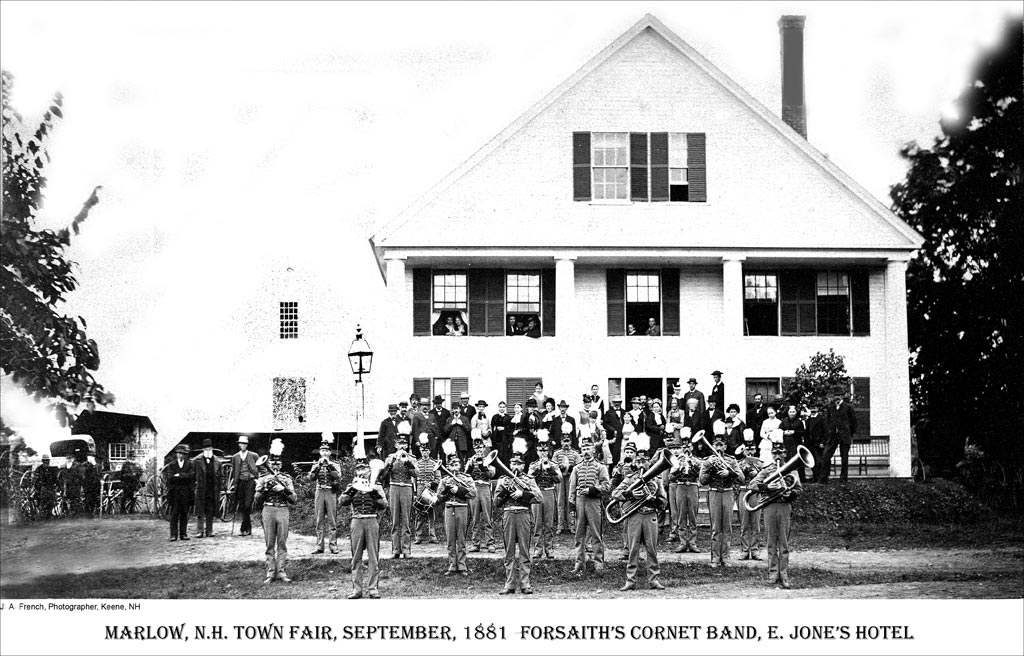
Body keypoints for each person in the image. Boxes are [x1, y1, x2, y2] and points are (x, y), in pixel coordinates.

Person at [612, 434, 666, 591]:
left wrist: (652, 499)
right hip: (634, 517)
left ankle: (654, 579)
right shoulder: (630, 478)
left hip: (650, 516)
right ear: (635, 462)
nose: (641, 464)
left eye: (644, 461)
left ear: (649, 462)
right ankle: (630, 580)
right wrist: (630, 495)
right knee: (633, 549)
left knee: (652, 549)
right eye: (639, 461)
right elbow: (615, 493)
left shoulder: (656, 480)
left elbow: (663, 502)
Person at [749, 436, 804, 588]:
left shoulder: (791, 470)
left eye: (781, 452)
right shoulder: (767, 470)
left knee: (784, 542)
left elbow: (798, 489)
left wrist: (789, 494)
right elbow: (752, 484)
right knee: (771, 541)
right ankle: (773, 573)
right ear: (771, 454)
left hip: (784, 506)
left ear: (785, 453)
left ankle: (784, 574)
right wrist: (767, 487)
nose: (778, 456)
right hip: (769, 507)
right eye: (775, 453)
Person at [494, 440, 542, 594]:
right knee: (508, 551)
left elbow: (539, 498)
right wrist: (504, 492)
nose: (515, 467)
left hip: (523, 514)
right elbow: (496, 502)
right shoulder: (503, 480)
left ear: (523, 465)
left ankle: (525, 584)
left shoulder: (529, 480)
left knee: (524, 550)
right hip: (508, 514)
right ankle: (509, 585)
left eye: (518, 464)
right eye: (512, 464)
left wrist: (523, 494)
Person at [339, 451, 388, 598]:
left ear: (369, 470)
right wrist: (353, 488)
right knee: (356, 557)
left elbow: (384, 504)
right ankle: (357, 589)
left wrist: (372, 492)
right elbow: (342, 502)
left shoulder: (377, 486)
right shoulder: (351, 485)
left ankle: (373, 588)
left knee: (373, 556)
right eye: (359, 469)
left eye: (364, 469)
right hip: (357, 520)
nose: (362, 472)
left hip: (372, 520)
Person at [699, 431, 745, 568]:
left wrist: (729, 472)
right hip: (713, 493)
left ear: (725, 446)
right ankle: (715, 558)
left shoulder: (731, 460)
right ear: (712, 445)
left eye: (721, 445)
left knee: (727, 527)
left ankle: (725, 557)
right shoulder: (708, 460)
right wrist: (710, 468)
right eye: (716, 445)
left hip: (727, 493)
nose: (718, 448)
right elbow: (702, 481)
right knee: (715, 527)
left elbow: (741, 479)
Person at [255, 439, 297, 583]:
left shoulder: (286, 478)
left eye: (277, 463)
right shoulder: (263, 478)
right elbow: (256, 500)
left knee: (282, 543)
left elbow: (293, 499)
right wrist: (265, 488)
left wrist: (283, 490)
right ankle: (270, 572)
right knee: (269, 543)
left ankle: (281, 572)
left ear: (281, 464)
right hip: (268, 509)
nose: (275, 465)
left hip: (282, 510)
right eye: (272, 463)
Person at [569, 433, 610, 576]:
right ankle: (579, 564)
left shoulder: (600, 467)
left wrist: (592, 489)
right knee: (579, 535)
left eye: (588, 447)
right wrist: (572, 507)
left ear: (593, 449)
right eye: (583, 448)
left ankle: (598, 564)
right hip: (580, 502)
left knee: (596, 534)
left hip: (594, 502)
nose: (585, 451)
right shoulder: (576, 468)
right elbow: (572, 489)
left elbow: (606, 486)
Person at [437, 441, 476, 576]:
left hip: (462, 508)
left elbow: (472, 493)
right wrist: (447, 490)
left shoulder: (467, 478)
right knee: (450, 539)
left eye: (456, 464)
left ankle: (462, 565)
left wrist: (458, 489)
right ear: (448, 466)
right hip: (449, 509)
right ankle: (452, 565)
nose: (454, 467)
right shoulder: (444, 480)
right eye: (451, 465)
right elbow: (439, 497)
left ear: (460, 465)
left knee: (461, 539)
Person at [382, 432, 417, 559]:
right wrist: (391, 462)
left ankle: (406, 550)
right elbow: (384, 475)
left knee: (406, 520)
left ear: (407, 446)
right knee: (395, 519)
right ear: (396, 445)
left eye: (404, 444)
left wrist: (407, 462)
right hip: (394, 487)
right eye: (400, 443)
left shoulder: (412, 458)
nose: (402, 446)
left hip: (407, 488)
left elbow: (416, 474)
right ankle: (396, 550)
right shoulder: (390, 457)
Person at [528, 433, 562, 559]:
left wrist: (550, 470)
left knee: (548, 522)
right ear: (537, 451)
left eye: (545, 450)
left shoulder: (554, 464)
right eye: (540, 450)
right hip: (537, 493)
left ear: (549, 451)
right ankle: (537, 549)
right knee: (537, 522)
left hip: (549, 492)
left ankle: (549, 549)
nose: (543, 453)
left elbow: (559, 479)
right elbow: (529, 480)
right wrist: (538, 469)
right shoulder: (533, 465)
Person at [669, 429, 703, 553]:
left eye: (689, 446)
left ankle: (693, 542)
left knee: (693, 516)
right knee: (681, 516)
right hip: (681, 487)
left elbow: (703, 475)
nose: (687, 448)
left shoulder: (697, 460)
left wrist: (693, 465)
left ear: (692, 447)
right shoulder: (676, 461)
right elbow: (671, 478)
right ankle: (683, 542)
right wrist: (679, 468)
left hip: (693, 486)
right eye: (684, 446)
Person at [307, 437, 342, 554]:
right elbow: (311, 478)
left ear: (330, 452)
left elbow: (337, 476)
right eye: (323, 451)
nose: (325, 453)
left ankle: (333, 545)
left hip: (330, 492)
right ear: (320, 452)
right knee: (319, 519)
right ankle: (319, 546)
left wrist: (329, 466)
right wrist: (318, 467)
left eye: (327, 451)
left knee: (332, 519)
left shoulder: (334, 464)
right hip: (319, 491)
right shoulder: (315, 464)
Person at [735, 433, 765, 560]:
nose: (750, 451)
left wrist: (756, 473)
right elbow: (736, 478)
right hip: (743, 491)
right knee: (744, 522)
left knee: (755, 522)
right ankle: (745, 549)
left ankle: (755, 549)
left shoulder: (761, 464)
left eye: (752, 449)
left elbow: (765, 479)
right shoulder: (739, 463)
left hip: (755, 493)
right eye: (747, 449)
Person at [465, 436, 496, 553]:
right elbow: (465, 475)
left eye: (481, 448)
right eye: (476, 448)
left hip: (485, 488)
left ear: (484, 448)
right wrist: (471, 465)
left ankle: (490, 543)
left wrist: (484, 467)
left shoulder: (488, 459)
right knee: (475, 517)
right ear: (474, 449)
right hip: (474, 488)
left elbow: (492, 474)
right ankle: (475, 543)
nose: (479, 450)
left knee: (488, 517)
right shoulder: (470, 460)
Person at [823, 386, 858, 483]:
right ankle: (824, 478)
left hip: (844, 436)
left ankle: (843, 478)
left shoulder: (848, 407)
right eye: (835, 395)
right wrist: (830, 431)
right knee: (826, 456)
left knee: (844, 458)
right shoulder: (831, 408)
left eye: (839, 395)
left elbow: (854, 423)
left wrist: (849, 434)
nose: (837, 397)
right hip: (833, 436)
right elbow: (828, 421)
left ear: (842, 396)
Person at [230, 435, 260, 536]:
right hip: (240, 482)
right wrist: (235, 483)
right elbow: (234, 472)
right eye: (241, 443)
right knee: (242, 506)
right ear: (239, 444)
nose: (243, 445)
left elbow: (261, 468)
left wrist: (258, 479)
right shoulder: (235, 457)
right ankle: (247, 528)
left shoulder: (254, 455)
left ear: (247, 445)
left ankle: (244, 527)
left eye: (244, 444)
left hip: (250, 481)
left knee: (247, 505)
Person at [192, 438, 221, 538]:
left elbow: (220, 477)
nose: (208, 450)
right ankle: (200, 531)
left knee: (210, 510)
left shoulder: (217, 461)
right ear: (203, 449)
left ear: (212, 448)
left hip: (212, 489)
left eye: (209, 448)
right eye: (206, 448)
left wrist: (219, 489)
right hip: (201, 489)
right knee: (200, 510)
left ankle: (209, 530)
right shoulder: (197, 460)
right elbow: (192, 476)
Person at [413, 434, 440, 544]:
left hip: (430, 490)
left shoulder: (434, 463)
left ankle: (432, 536)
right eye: (422, 450)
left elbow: (438, 478)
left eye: (426, 451)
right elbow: (413, 479)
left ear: (429, 451)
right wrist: (415, 492)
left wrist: (432, 484)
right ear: (420, 451)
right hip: (420, 488)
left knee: (431, 512)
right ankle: (418, 536)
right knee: (419, 512)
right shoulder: (416, 463)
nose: (424, 453)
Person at [163, 444, 193, 541]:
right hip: (175, 493)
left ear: (185, 455)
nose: (180, 455)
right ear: (176, 454)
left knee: (184, 513)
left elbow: (191, 476)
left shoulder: (189, 464)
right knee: (174, 513)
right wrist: (183, 477)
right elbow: (170, 478)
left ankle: (183, 534)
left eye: (182, 454)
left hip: (186, 493)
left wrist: (179, 475)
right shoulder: (172, 465)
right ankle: (173, 535)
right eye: (178, 453)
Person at [553, 433, 580, 535]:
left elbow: (578, 465)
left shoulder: (575, 453)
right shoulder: (557, 453)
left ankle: (571, 526)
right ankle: (560, 526)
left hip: (570, 478)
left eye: (568, 441)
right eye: (564, 441)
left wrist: (571, 467)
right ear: (561, 442)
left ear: (571, 442)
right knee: (560, 501)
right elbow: (553, 466)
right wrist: (561, 467)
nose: (566, 443)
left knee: (570, 500)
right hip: (560, 479)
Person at [779, 405, 807, 482]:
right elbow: (779, 431)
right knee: (787, 460)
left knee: (798, 460)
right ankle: (787, 478)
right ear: (788, 413)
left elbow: (802, 432)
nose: (792, 413)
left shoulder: (799, 422)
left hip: (796, 443)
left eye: (793, 412)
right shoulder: (784, 421)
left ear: (796, 412)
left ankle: (801, 478)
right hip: (786, 444)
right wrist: (784, 432)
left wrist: (794, 432)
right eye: (790, 412)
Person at [805, 403, 827, 482]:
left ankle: (820, 478)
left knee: (819, 461)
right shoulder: (808, 420)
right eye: (811, 408)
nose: (813, 410)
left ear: (817, 409)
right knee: (812, 461)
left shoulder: (822, 419)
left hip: (818, 444)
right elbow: (806, 433)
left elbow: (825, 432)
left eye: (814, 408)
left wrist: (822, 442)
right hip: (810, 444)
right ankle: (814, 477)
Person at [32, 455, 58, 519]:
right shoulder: (39, 469)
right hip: (42, 488)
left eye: (48, 460)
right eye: (45, 460)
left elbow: (55, 479)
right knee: (43, 503)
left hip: (50, 488)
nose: (47, 462)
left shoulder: (51, 469)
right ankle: (42, 515)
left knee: (51, 502)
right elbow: (35, 479)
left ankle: (49, 514)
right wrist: (37, 488)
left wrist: (56, 485)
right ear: (43, 461)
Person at [602, 395, 625, 467]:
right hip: (613, 436)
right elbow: (605, 424)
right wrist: (613, 430)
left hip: (623, 436)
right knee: (614, 454)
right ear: (613, 403)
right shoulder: (608, 413)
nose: (617, 404)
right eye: (615, 402)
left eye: (619, 402)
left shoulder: (624, 412)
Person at [490, 401, 513, 466]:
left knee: (504, 456)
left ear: (505, 408)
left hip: (504, 440)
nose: (502, 408)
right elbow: (492, 427)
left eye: (503, 407)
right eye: (500, 407)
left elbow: (510, 429)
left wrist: (504, 428)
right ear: (498, 408)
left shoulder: (508, 417)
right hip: (496, 439)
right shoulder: (495, 417)